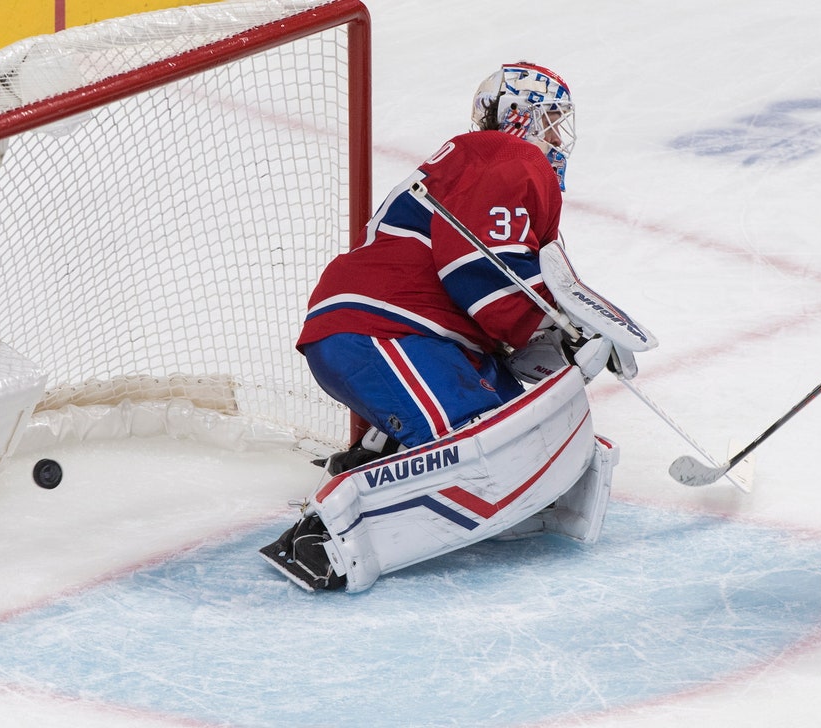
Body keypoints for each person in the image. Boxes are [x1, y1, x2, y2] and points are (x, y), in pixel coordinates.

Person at [260, 62, 652, 593]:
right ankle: (322, 536)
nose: (559, 137)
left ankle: (380, 454)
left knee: (517, 421)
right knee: (482, 444)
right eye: (552, 119)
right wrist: (548, 327)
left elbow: (499, 293)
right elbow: (477, 270)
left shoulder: (482, 166)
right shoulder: (509, 157)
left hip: (411, 333)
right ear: (519, 117)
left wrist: (562, 342)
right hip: (385, 327)